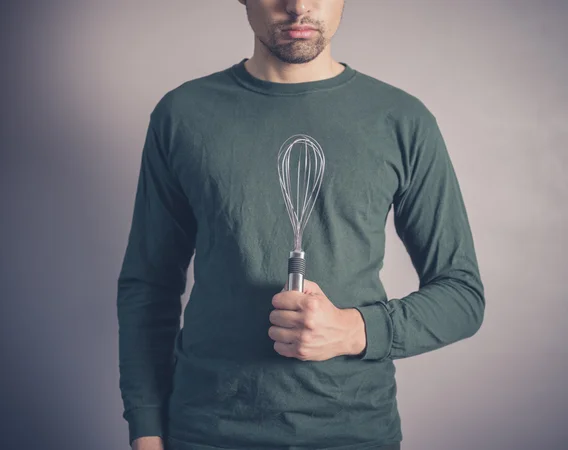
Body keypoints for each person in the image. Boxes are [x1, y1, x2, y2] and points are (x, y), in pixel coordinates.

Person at [116, 1, 486, 449]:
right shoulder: (183, 115)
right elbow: (148, 285)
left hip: (352, 432)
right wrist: (146, 428)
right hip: (207, 432)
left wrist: (355, 329)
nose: (298, 5)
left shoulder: (402, 121)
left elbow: (462, 294)